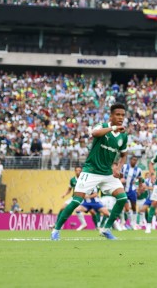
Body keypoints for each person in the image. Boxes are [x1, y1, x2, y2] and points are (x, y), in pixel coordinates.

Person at [51, 103, 129, 241]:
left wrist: (118, 168)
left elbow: (124, 155)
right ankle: (56, 230)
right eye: (117, 114)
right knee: (76, 201)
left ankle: (106, 229)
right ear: (111, 115)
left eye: (122, 115)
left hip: (107, 173)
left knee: (122, 198)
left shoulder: (123, 136)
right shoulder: (103, 126)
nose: (121, 117)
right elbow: (94, 133)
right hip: (91, 171)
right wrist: (114, 127)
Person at [121, 156, 144, 229]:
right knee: (123, 206)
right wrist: (121, 180)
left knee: (134, 206)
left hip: (132, 190)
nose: (135, 161)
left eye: (136, 160)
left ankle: (133, 223)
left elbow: (140, 180)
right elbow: (120, 176)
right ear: (130, 160)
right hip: (123, 189)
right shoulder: (124, 167)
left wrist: (139, 189)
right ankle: (123, 222)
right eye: (133, 160)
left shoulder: (138, 170)